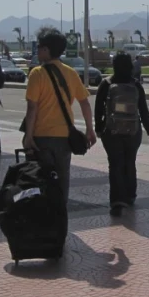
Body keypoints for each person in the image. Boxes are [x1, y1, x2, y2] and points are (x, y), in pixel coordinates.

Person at [22, 30, 97, 215]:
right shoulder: (70, 73)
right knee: (62, 180)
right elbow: (85, 102)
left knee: (42, 179)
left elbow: (32, 108)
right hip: (64, 137)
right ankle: (60, 217)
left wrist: (28, 136)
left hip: (42, 137)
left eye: (39, 48)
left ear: (46, 50)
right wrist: (90, 129)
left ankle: (44, 218)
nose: (37, 51)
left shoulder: (37, 74)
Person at [94, 52, 149, 217]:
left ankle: (116, 201)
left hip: (111, 131)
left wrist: (99, 128)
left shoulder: (106, 83)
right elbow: (143, 110)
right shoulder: (135, 85)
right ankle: (130, 196)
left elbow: (98, 108)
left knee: (115, 164)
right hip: (133, 131)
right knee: (130, 162)